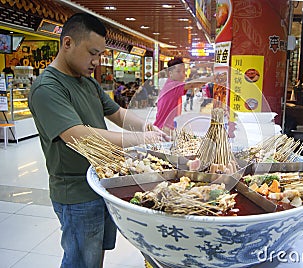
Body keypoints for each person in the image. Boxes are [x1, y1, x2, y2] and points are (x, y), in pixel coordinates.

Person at [28, 13, 169, 268]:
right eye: (92, 52)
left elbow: (116, 113)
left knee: (94, 256)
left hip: (101, 181)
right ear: (67, 43)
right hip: (75, 191)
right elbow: (77, 134)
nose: (96, 60)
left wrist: (150, 127)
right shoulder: (47, 88)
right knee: (81, 260)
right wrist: (138, 138)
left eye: (100, 54)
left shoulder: (87, 82)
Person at [153, 58, 209, 135]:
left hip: (164, 128)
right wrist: (213, 78)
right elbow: (192, 84)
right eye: (178, 71)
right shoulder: (173, 85)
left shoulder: (171, 84)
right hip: (163, 130)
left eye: (184, 71)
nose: (183, 74)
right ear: (170, 73)